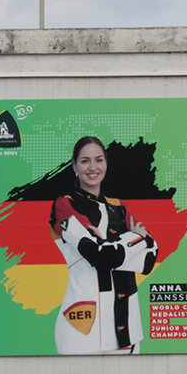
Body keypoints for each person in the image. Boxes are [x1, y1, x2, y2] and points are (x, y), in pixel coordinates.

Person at [49, 136, 160, 354]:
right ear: (74, 166)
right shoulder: (65, 205)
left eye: (99, 160)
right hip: (83, 327)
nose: (93, 167)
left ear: (106, 164)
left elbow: (149, 258)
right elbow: (102, 258)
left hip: (128, 330)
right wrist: (134, 238)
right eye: (85, 161)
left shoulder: (119, 207)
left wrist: (110, 246)